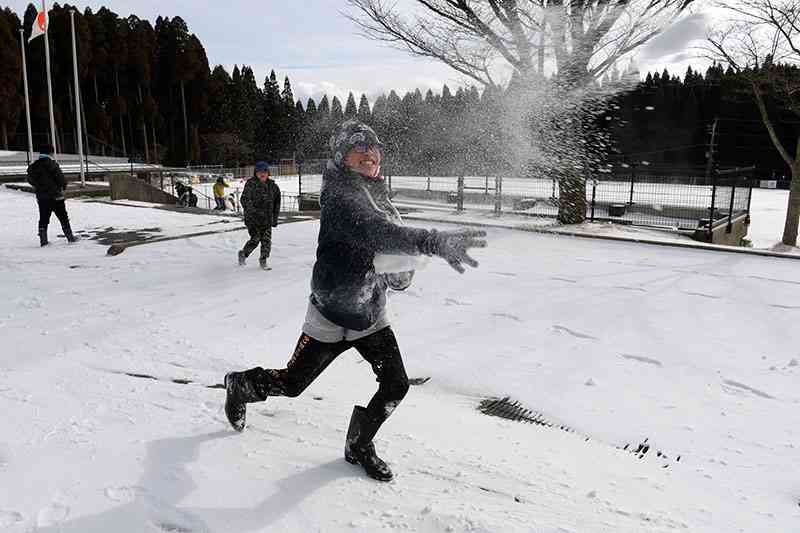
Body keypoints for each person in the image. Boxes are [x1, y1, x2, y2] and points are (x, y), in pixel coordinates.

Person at [223, 120, 487, 482]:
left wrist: (402, 270)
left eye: (374, 151)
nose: (369, 156)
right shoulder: (339, 196)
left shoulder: (378, 194)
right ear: (341, 158)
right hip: (329, 314)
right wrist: (432, 242)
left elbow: (393, 262)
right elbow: (377, 232)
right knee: (292, 384)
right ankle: (241, 385)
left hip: (370, 314)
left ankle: (359, 445)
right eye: (359, 151)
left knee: (396, 385)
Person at [26, 144, 78, 246]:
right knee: (63, 217)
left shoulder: (33, 166)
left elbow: (30, 180)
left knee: (44, 218)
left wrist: (39, 187)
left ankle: (43, 241)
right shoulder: (52, 164)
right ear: (50, 152)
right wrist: (63, 186)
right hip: (56, 196)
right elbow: (61, 179)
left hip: (42, 197)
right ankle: (70, 237)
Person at [238, 162, 281, 270]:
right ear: (255, 173)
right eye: (259, 172)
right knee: (255, 239)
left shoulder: (273, 187)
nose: (262, 174)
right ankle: (243, 254)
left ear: (268, 173)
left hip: (267, 220)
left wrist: (274, 218)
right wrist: (253, 212)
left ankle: (263, 260)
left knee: (266, 241)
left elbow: (277, 204)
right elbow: (244, 200)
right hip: (253, 220)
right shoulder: (251, 184)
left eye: (265, 172)